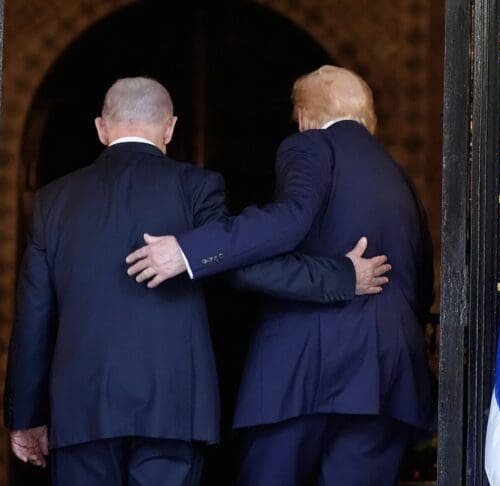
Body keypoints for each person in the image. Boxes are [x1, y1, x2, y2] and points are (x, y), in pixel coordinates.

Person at [3, 76, 391, 486]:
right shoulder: (196, 186)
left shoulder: (52, 201)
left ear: (101, 128)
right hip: (173, 410)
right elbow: (243, 266)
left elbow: (33, 317)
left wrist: (26, 417)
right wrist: (340, 275)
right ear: (170, 127)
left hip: (80, 411)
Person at [126, 65, 437, 485]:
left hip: (304, 374)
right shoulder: (401, 177)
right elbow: (421, 280)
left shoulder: (311, 146)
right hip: (387, 377)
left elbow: (290, 220)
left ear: (304, 116)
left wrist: (189, 251)